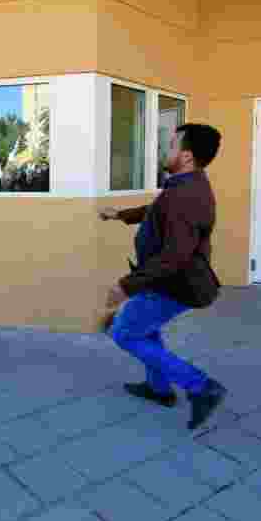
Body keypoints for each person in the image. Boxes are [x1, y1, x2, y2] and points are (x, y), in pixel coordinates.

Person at [98, 123, 226, 430]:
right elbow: (157, 210)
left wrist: (125, 286)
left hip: (172, 285)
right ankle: (158, 389)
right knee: (145, 329)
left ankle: (201, 387)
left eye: (170, 146)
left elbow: (174, 257)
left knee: (124, 333)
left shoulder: (185, 194)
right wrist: (121, 215)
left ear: (186, 156)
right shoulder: (184, 186)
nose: (163, 150)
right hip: (164, 281)